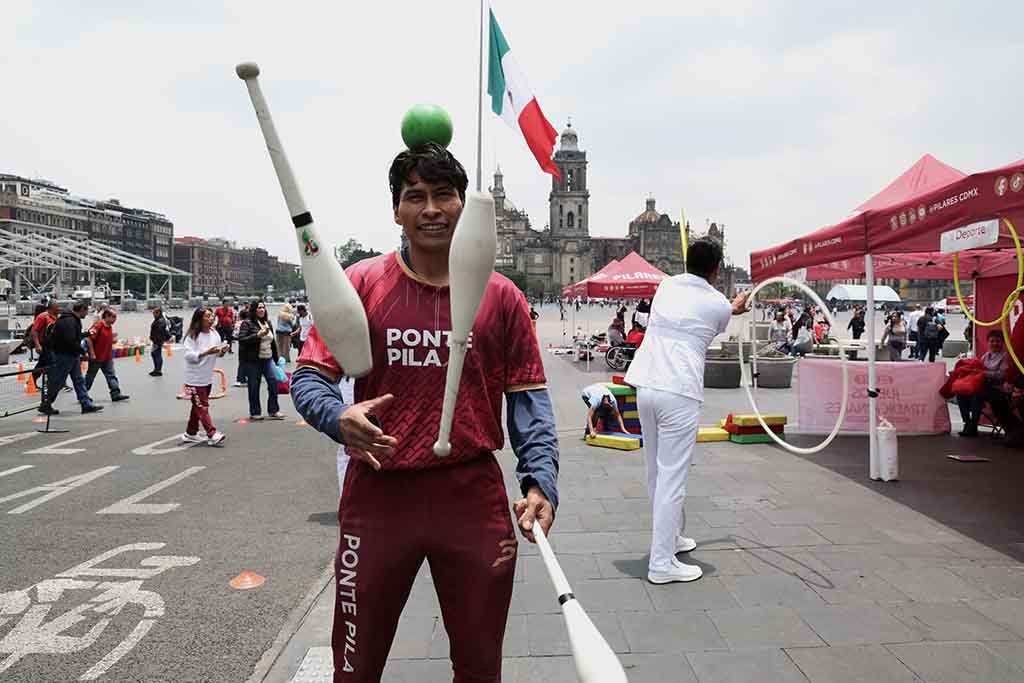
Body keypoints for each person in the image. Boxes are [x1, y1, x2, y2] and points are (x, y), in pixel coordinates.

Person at [290, 142, 558, 681]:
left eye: (443, 195)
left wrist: (540, 484)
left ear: (464, 204)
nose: (431, 208)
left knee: (480, 667)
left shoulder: (502, 297)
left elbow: (529, 403)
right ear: (397, 210)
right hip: (378, 496)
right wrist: (336, 417)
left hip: (471, 498)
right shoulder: (362, 284)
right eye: (415, 196)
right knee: (355, 667)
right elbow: (309, 375)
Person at [624, 238, 749, 584]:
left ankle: (671, 538)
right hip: (678, 390)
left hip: (646, 384)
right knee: (672, 478)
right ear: (717, 270)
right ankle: (661, 563)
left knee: (656, 472)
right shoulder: (718, 303)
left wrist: (729, 306)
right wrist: (735, 306)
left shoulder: (666, 286)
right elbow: (722, 314)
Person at [39, 300, 102, 415]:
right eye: (86, 311)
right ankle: (46, 404)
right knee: (58, 380)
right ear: (81, 310)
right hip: (65, 355)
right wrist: (82, 351)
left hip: (71, 355)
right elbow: (70, 340)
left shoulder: (70, 319)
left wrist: (86, 334)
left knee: (78, 380)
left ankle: (86, 404)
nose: (87, 314)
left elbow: (73, 337)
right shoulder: (69, 321)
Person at [181, 307, 227, 446]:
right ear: (199, 319)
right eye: (207, 316)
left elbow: (217, 353)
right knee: (202, 406)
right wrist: (206, 352)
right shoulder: (193, 336)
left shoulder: (214, 333)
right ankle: (212, 433)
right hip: (195, 378)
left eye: (212, 316)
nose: (211, 318)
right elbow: (189, 356)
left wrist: (222, 351)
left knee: (197, 406)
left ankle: (190, 433)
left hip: (207, 376)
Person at [956, 330, 1014, 438]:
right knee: (960, 393)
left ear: (1003, 342)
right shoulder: (986, 356)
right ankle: (967, 423)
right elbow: (979, 370)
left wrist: (984, 373)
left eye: (998, 341)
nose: (995, 343)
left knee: (977, 394)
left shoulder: (1005, 356)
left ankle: (973, 426)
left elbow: (1002, 375)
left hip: (998, 389)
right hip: (984, 386)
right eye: (992, 341)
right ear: (988, 342)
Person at [236, 300, 284, 421]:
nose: (262, 310)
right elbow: (242, 339)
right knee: (254, 386)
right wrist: (257, 335)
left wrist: (276, 359)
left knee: (273, 383)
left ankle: (273, 410)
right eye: (259, 308)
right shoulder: (247, 323)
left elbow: (272, 342)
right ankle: (255, 412)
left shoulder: (267, 322)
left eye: (263, 307)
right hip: (253, 360)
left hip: (268, 358)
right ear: (254, 310)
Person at [85, 308, 129, 402]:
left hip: (107, 357)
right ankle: (83, 395)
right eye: (113, 317)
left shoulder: (109, 327)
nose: (115, 319)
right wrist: (92, 353)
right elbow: (88, 338)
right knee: (90, 377)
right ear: (107, 316)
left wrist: (113, 340)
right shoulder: (98, 325)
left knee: (111, 375)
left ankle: (115, 394)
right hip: (97, 357)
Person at [30, 299, 60, 382]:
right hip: (44, 345)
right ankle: (52, 382)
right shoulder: (43, 317)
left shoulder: (55, 317)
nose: (59, 308)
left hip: (52, 345)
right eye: (57, 307)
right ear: (52, 307)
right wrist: (37, 345)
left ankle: (32, 381)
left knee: (42, 363)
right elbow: (34, 331)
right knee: (51, 363)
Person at [149, 307, 173, 377]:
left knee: (157, 354)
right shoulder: (158, 320)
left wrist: (157, 341)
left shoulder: (160, 321)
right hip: (156, 341)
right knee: (154, 354)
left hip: (157, 341)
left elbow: (160, 332)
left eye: (154, 313)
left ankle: (158, 370)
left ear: (158, 313)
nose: (153, 314)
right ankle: (156, 369)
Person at [233, 302, 251, 387]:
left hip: (241, 345)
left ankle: (242, 378)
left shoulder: (238, 323)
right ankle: (241, 379)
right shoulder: (247, 323)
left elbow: (235, 335)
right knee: (245, 362)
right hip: (247, 345)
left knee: (242, 362)